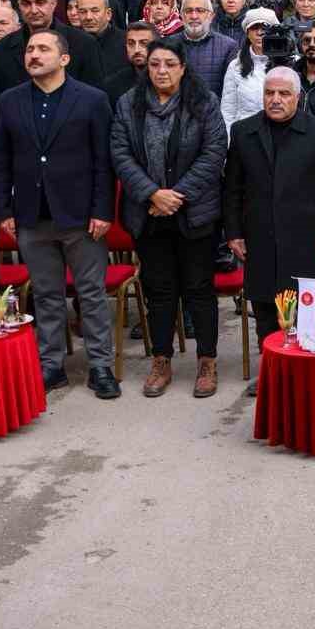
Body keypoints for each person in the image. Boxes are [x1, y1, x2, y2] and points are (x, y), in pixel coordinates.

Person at [0, 30, 120, 398]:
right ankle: (51, 365)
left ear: (64, 59)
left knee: (91, 294)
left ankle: (100, 366)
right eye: (30, 49)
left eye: (43, 49)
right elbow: (0, 161)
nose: (33, 54)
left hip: (81, 216)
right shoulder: (10, 101)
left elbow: (103, 162)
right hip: (31, 216)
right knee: (46, 294)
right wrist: (4, 211)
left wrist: (101, 209)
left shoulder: (92, 100)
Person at [110, 39, 228, 398]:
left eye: (170, 64)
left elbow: (214, 151)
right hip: (148, 213)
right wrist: (152, 193)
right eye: (155, 64)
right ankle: (161, 360)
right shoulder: (129, 104)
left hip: (194, 212)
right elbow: (120, 151)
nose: (161, 70)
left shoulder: (203, 102)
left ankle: (206, 361)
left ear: (183, 67)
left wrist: (177, 195)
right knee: (159, 292)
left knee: (199, 289)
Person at [223, 67, 315, 395]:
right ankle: (273, 371)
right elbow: (232, 189)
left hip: (308, 238)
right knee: (264, 308)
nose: (275, 100)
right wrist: (233, 232)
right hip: (259, 237)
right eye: (270, 94)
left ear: (298, 97)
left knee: (313, 308)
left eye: (284, 94)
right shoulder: (243, 131)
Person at [0, 0, 103, 129]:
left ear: (53, 4)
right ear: (19, 6)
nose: (33, 10)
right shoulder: (2, 49)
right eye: (26, 4)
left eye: (40, 2)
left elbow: (95, 104)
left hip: (72, 139)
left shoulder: (83, 44)